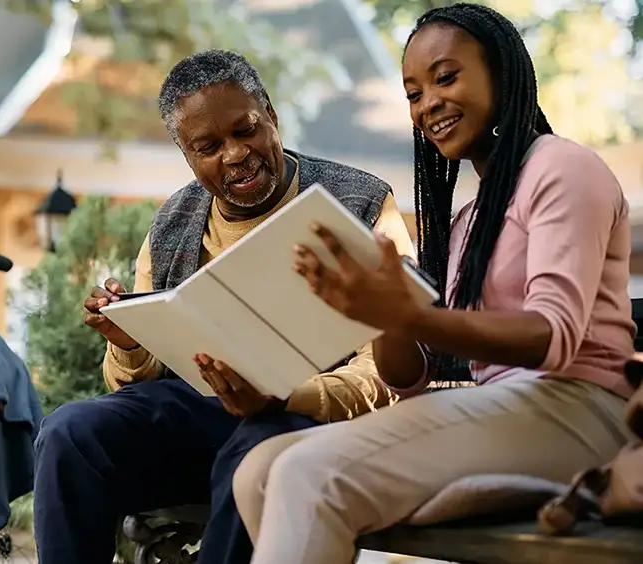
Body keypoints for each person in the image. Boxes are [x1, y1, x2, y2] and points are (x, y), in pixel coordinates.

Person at [231, 4, 637, 563]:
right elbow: (410, 377)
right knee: (258, 469)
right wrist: (378, 312)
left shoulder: (562, 167)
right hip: (509, 406)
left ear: (502, 71)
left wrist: (410, 314)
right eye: (414, 94)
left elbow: (554, 335)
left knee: (307, 472)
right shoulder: (467, 222)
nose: (429, 105)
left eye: (446, 77)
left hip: (584, 408)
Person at [32, 49, 418, 564]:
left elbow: (388, 374)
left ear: (272, 117)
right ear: (187, 156)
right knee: (69, 433)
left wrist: (284, 397)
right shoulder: (173, 221)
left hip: (308, 420)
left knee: (255, 453)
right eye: (209, 146)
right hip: (200, 417)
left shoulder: (361, 204)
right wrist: (130, 343)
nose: (235, 154)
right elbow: (131, 388)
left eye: (246, 130)